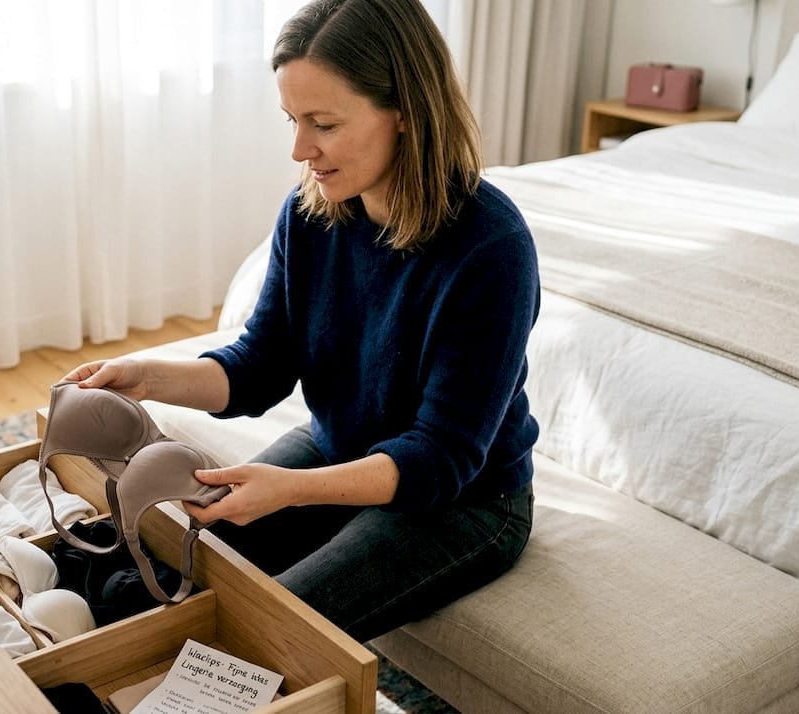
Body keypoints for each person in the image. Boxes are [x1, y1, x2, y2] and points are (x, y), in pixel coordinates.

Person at [62, 0, 539, 643]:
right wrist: (149, 376)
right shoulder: (313, 214)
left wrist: (293, 490)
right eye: (292, 119)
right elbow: (262, 365)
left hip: (465, 500)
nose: (300, 149)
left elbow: (441, 459)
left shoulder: (491, 247)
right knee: (155, 565)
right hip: (340, 445)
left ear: (404, 111)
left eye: (323, 123)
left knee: (252, 626)